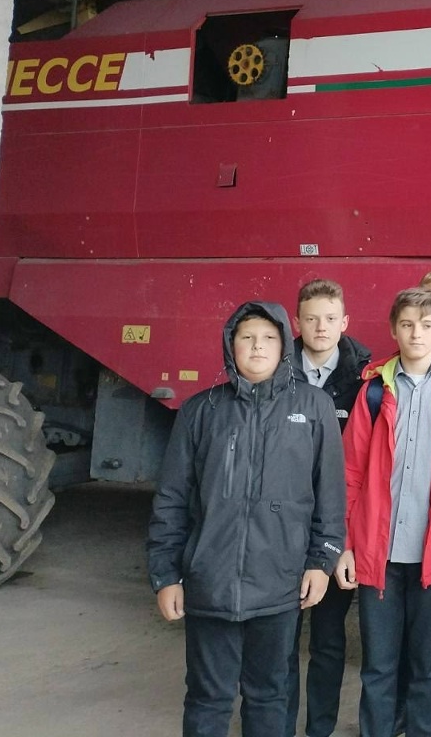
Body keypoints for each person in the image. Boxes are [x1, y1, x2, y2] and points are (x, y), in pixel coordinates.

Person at [147, 301, 346, 737]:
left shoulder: (314, 407)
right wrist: (166, 575)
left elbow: (330, 496)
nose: (258, 347)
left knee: (269, 694)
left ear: (284, 346)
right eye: (247, 338)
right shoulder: (201, 410)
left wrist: (321, 561)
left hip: (279, 583)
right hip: (210, 582)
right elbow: (172, 499)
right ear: (230, 345)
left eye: (269, 338)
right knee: (208, 696)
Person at [336, 288, 431, 737]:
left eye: (426, 325)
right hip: (378, 555)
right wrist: (346, 545)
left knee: (428, 668)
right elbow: (349, 474)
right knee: (378, 667)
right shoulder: (373, 390)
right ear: (393, 330)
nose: (416, 334)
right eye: (407, 324)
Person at [286, 278, 373, 737]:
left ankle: (319, 727)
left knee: (327, 638)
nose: (321, 327)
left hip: (335, 530)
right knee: (279, 640)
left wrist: (347, 541)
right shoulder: (276, 372)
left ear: (345, 323)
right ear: (296, 323)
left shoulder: (366, 381)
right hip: (280, 529)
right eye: (311, 318)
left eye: (330, 318)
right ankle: (277, 725)